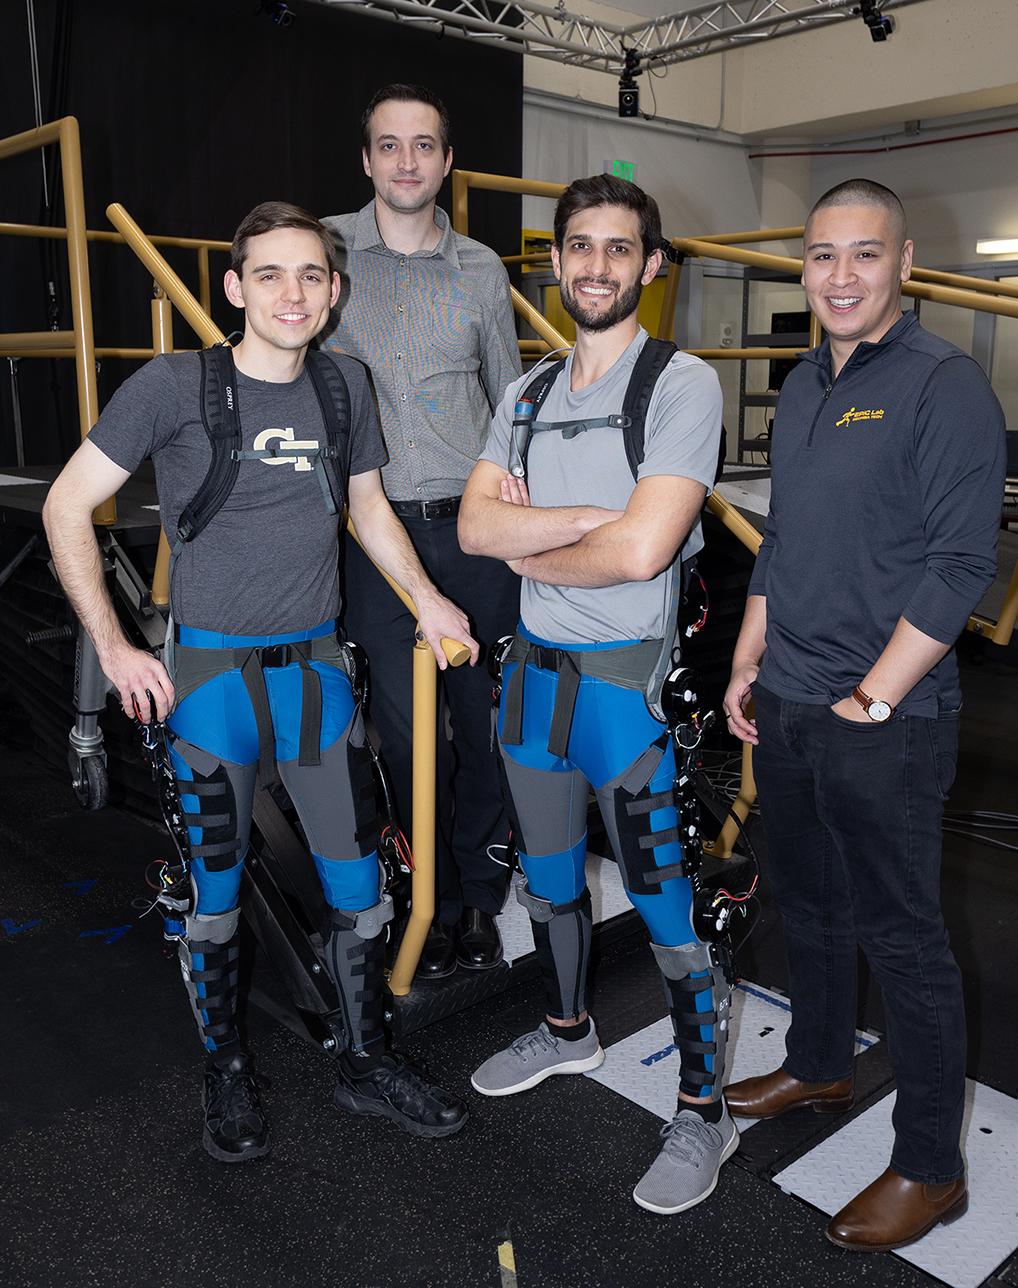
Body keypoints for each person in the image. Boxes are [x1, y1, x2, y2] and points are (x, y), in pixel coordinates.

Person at [42, 201, 479, 1162]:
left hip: (317, 682)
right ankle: (227, 1072)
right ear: (235, 289)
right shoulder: (171, 385)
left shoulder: (344, 386)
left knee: (362, 897)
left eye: (312, 276)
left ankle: (366, 1062)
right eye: (271, 275)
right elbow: (66, 506)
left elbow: (367, 509)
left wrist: (428, 600)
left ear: (333, 292)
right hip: (209, 687)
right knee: (214, 901)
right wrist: (117, 647)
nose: (294, 293)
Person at [722, 179, 1006, 1251]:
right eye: (822, 256)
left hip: (884, 717)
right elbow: (785, 536)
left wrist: (871, 695)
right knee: (808, 901)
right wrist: (750, 654)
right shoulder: (800, 382)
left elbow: (960, 563)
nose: (839, 277)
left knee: (905, 938)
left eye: (863, 256)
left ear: (903, 261)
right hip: (790, 698)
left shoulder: (945, 385)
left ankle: (931, 1167)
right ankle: (820, 1060)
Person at [460, 174, 732, 1214]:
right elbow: (478, 532)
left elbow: (646, 549)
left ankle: (703, 1110)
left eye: (620, 249)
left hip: (625, 694)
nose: (597, 267)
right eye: (580, 247)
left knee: (669, 913)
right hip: (530, 687)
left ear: (650, 265)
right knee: (549, 883)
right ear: (556, 259)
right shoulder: (526, 392)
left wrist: (544, 538)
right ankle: (570, 1032)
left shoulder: (681, 385)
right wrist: (592, 531)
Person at [322, 84, 522, 979]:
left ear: (446, 161)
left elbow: (509, 402)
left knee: (483, 728)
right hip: (372, 538)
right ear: (367, 159)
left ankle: (476, 903)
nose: (407, 161)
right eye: (389, 145)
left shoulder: (482, 269)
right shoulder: (321, 256)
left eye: (425, 146)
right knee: (405, 738)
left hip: (473, 532)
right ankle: (420, 892)